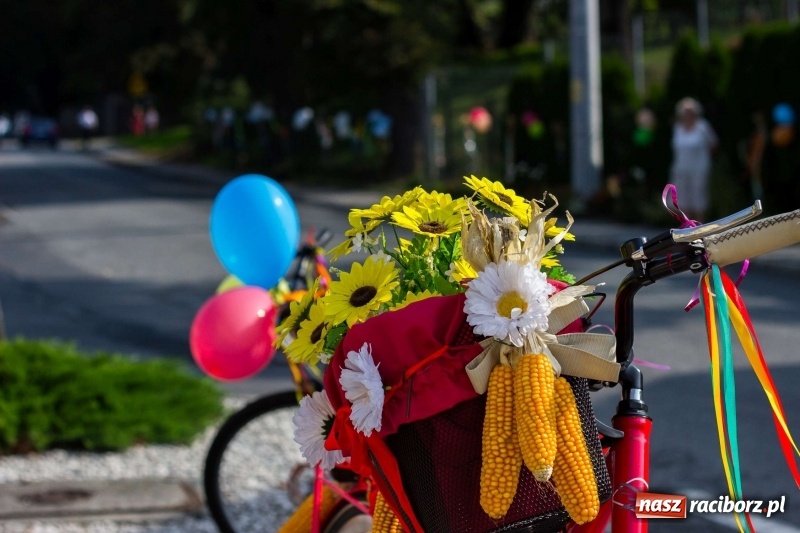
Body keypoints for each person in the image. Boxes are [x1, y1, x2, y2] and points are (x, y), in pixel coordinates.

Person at [669, 97, 718, 221]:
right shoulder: (678, 128)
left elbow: (713, 144)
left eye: (690, 112)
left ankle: (700, 226)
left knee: (698, 197)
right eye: (685, 112)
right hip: (681, 169)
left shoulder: (703, 127)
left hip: (699, 169)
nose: (687, 115)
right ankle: (687, 227)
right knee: (682, 198)